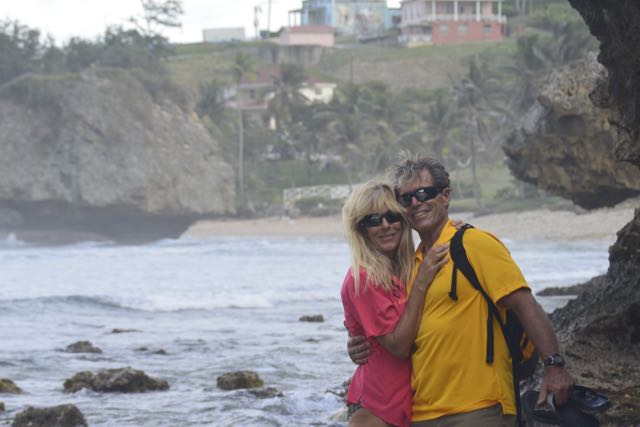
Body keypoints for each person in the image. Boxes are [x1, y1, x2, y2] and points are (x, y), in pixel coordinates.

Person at [348, 155, 574, 427]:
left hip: (479, 407)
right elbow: (391, 328)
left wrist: (554, 365)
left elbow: (525, 304)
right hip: (422, 412)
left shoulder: (473, 244)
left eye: (424, 193)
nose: (416, 203)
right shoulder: (412, 264)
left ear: (445, 196)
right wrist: (359, 341)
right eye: (406, 199)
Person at [341, 180, 449, 427]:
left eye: (392, 216)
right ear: (360, 229)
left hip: (412, 404)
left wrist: (456, 232)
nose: (386, 226)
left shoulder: (411, 265)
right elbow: (398, 347)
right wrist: (421, 283)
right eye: (373, 220)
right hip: (376, 410)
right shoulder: (363, 279)